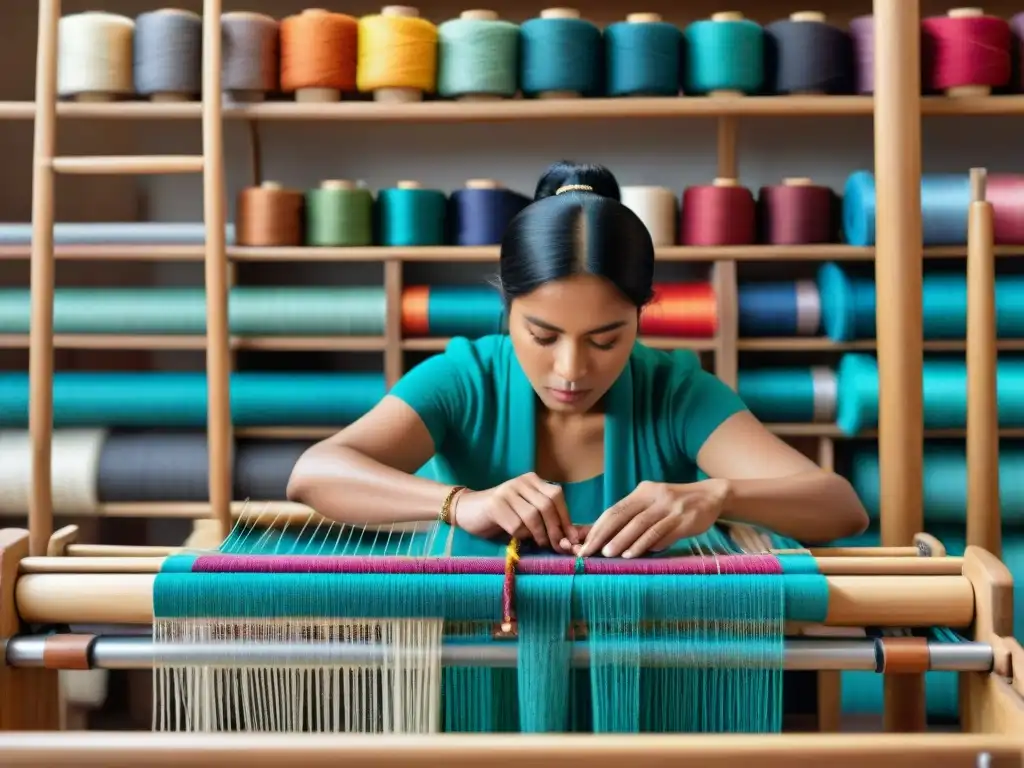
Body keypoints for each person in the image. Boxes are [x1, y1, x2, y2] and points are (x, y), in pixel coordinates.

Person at [287, 161, 869, 559]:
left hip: (643, 672)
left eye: (605, 339)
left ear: (642, 316)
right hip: (478, 658)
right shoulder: (466, 379)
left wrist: (716, 495)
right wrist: (460, 503)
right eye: (543, 336)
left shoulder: (675, 392)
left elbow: (841, 509)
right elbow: (314, 474)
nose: (570, 369)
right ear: (508, 309)